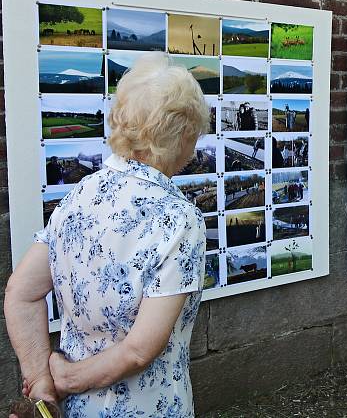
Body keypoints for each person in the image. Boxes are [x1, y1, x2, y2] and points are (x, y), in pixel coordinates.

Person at [4, 54, 209, 416]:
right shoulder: (180, 220)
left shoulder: (77, 196)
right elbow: (138, 350)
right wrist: (65, 380)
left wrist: (42, 384)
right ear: (185, 135)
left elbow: (21, 293)